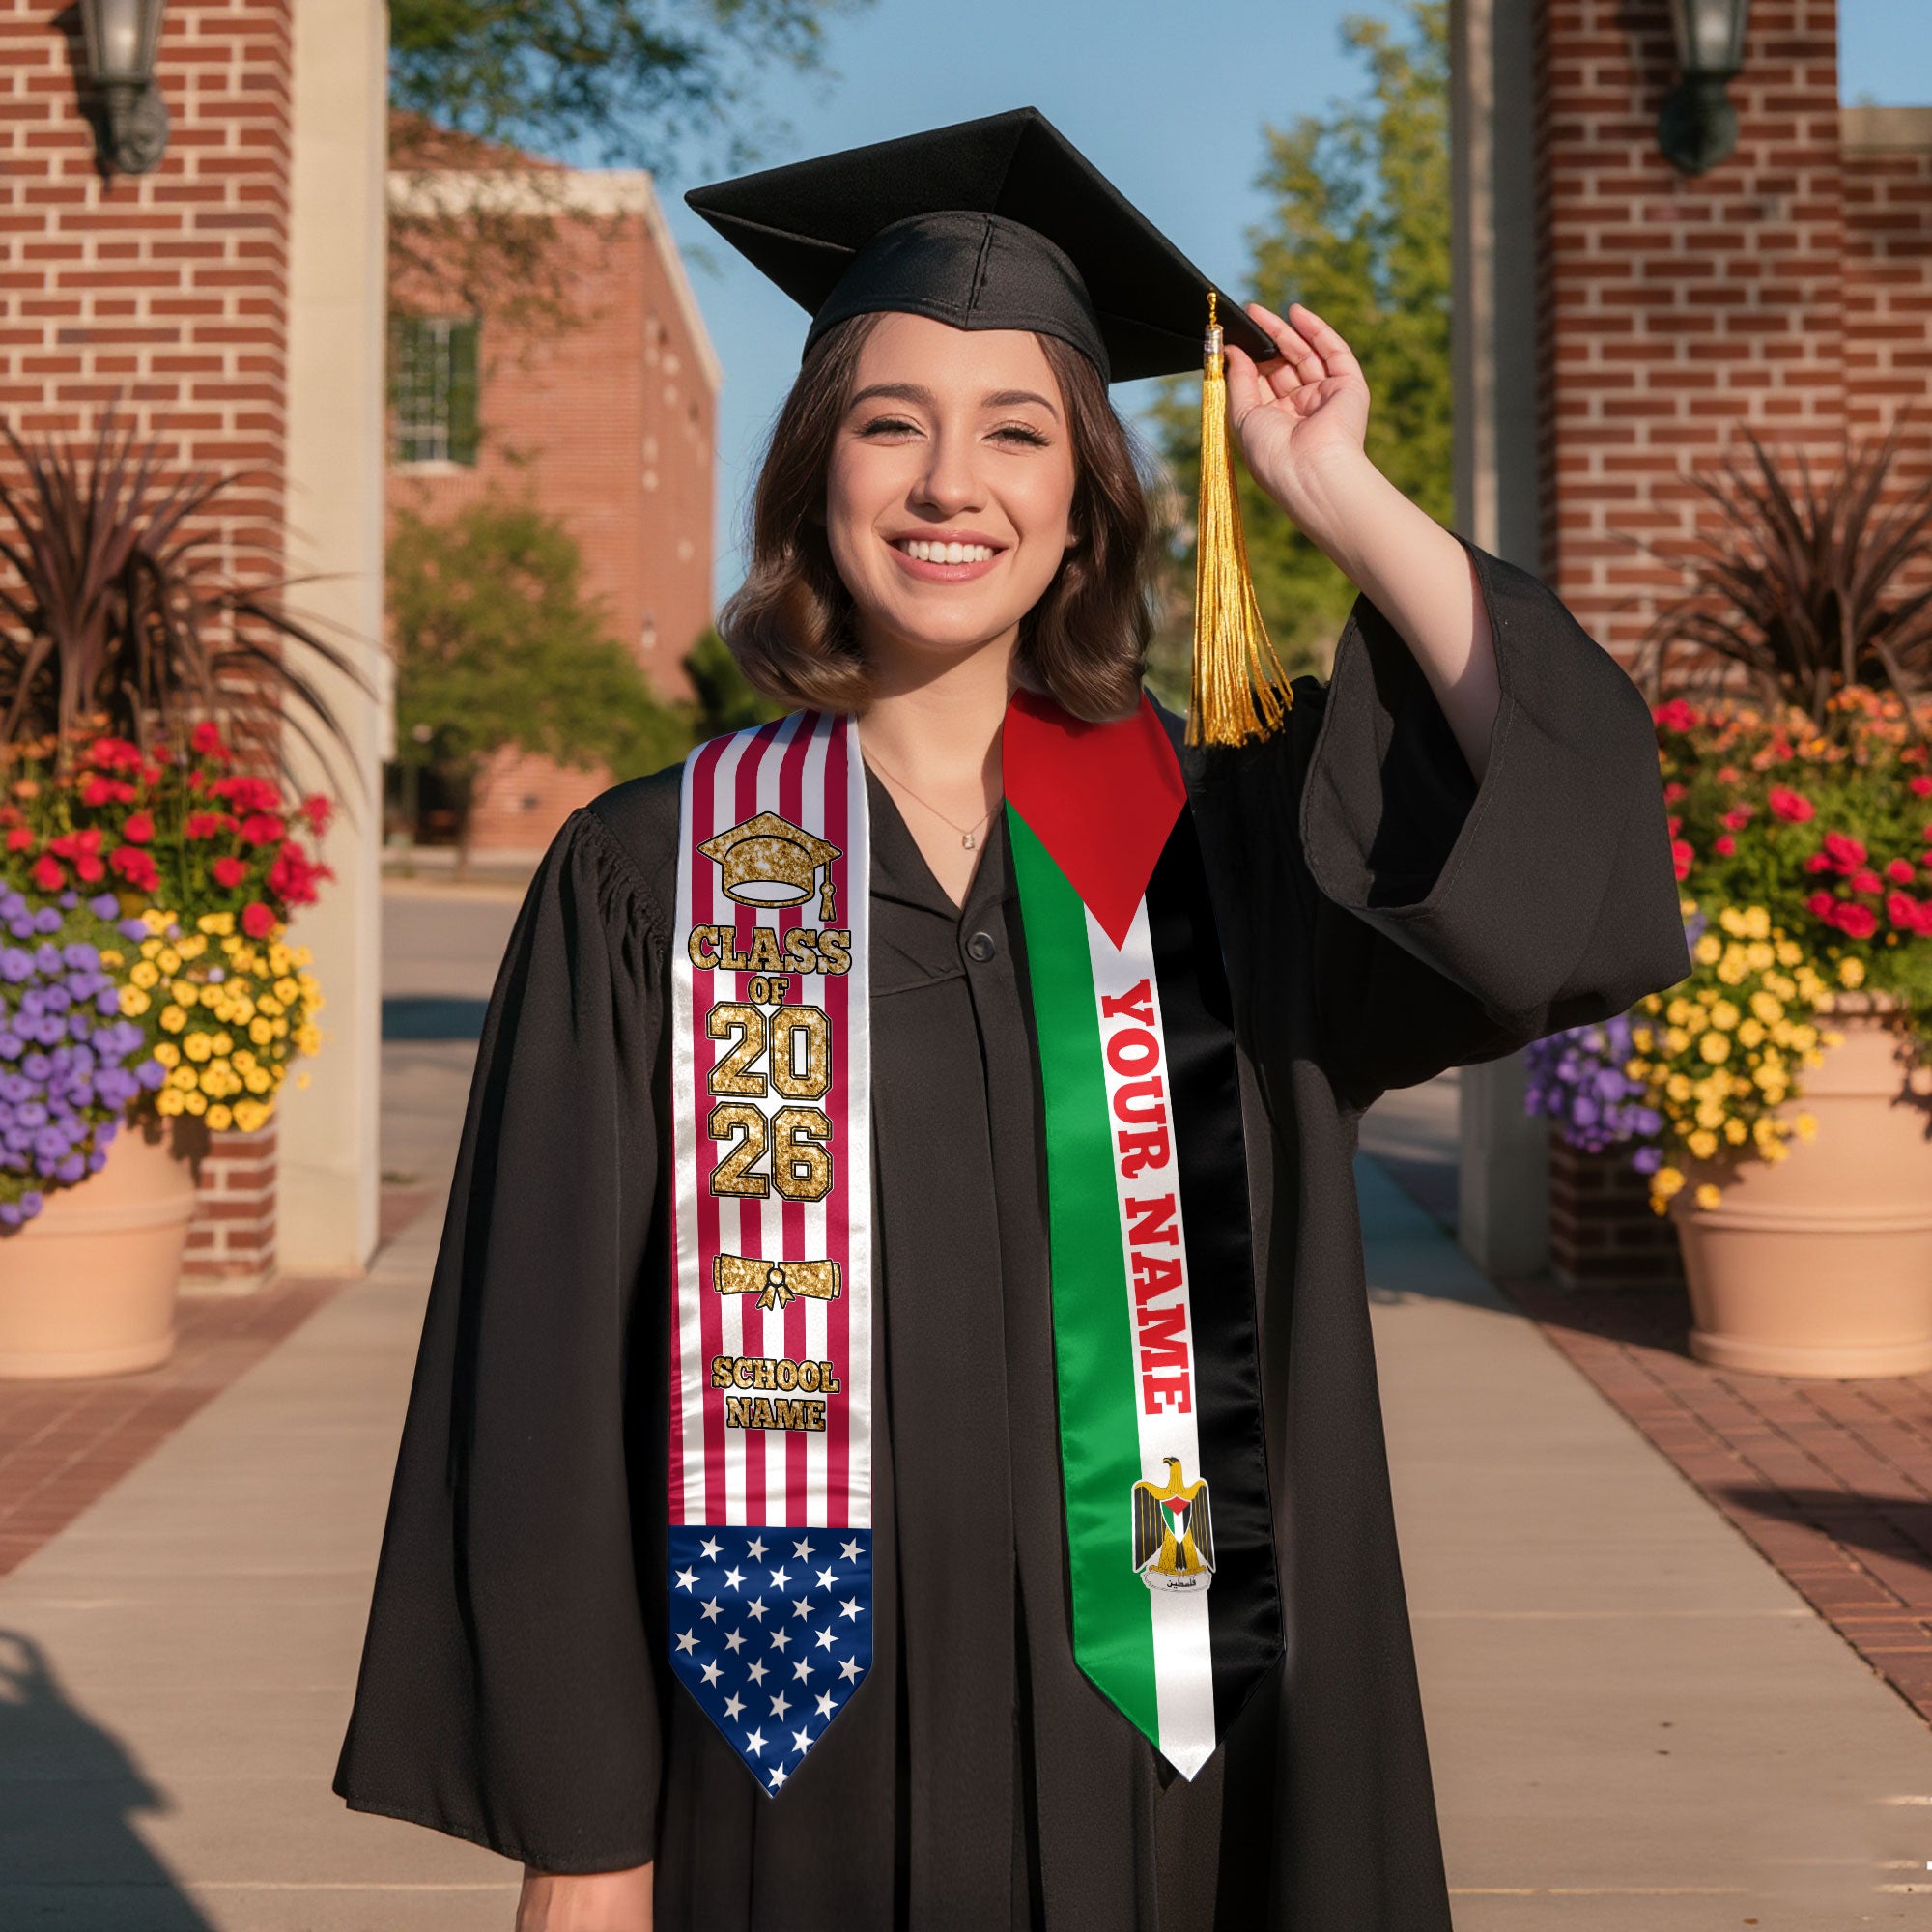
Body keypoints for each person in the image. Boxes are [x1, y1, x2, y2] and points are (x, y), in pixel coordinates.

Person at [334, 109, 1689, 1932]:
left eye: (1017, 432)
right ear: (816, 472)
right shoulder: (654, 876)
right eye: (892, 424)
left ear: (1084, 503)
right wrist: (583, 1843)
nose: (949, 485)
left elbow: (1562, 839)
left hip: (1182, 1771)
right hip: (780, 1777)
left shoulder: (1230, 853)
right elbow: (546, 1380)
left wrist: (1336, 490)